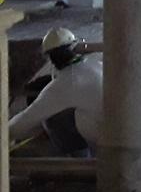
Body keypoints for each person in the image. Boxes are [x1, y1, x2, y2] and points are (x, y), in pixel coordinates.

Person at [9, 28, 102, 156]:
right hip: (127, 130)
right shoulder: (97, 64)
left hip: (107, 139)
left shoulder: (64, 83)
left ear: (49, 57)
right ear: (75, 47)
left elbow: (25, 120)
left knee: (53, 118)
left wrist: (6, 133)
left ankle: (79, 163)